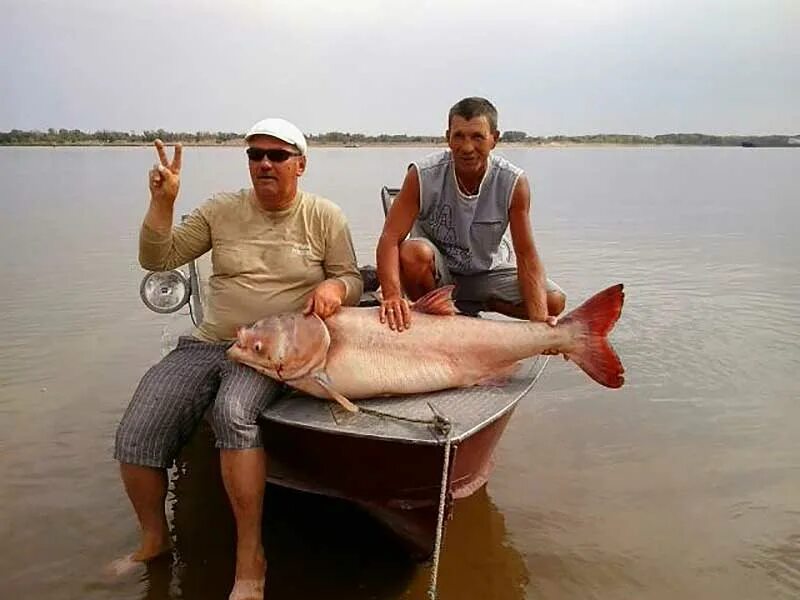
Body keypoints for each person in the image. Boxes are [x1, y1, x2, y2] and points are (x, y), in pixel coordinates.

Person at [112, 118, 363, 600]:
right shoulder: (219, 210)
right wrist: (162, 204)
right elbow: (157, 259)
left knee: (232, 412)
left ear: (301, 164)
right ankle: (153, 540)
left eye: (277, 155)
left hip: (272, 351)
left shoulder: (325, 216)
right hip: (211, 340)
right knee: (138, 428)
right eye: (255, 155)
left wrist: (335, 287)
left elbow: (350, 277)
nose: (264, 163)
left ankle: (250, 556)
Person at [376, 96, 566, 332]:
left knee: (553, 302)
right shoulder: (421, 175)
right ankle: (431, 321)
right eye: (459, 136)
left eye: (478, 137)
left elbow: (526, 255)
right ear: (448, 138)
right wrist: (392, 295)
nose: (467, 148)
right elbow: (390, 238)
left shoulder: (513, 182)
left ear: (494, 139)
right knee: (413, 253)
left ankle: (476, 305)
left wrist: (539, 324)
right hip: (438, 273)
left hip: (486, 272)